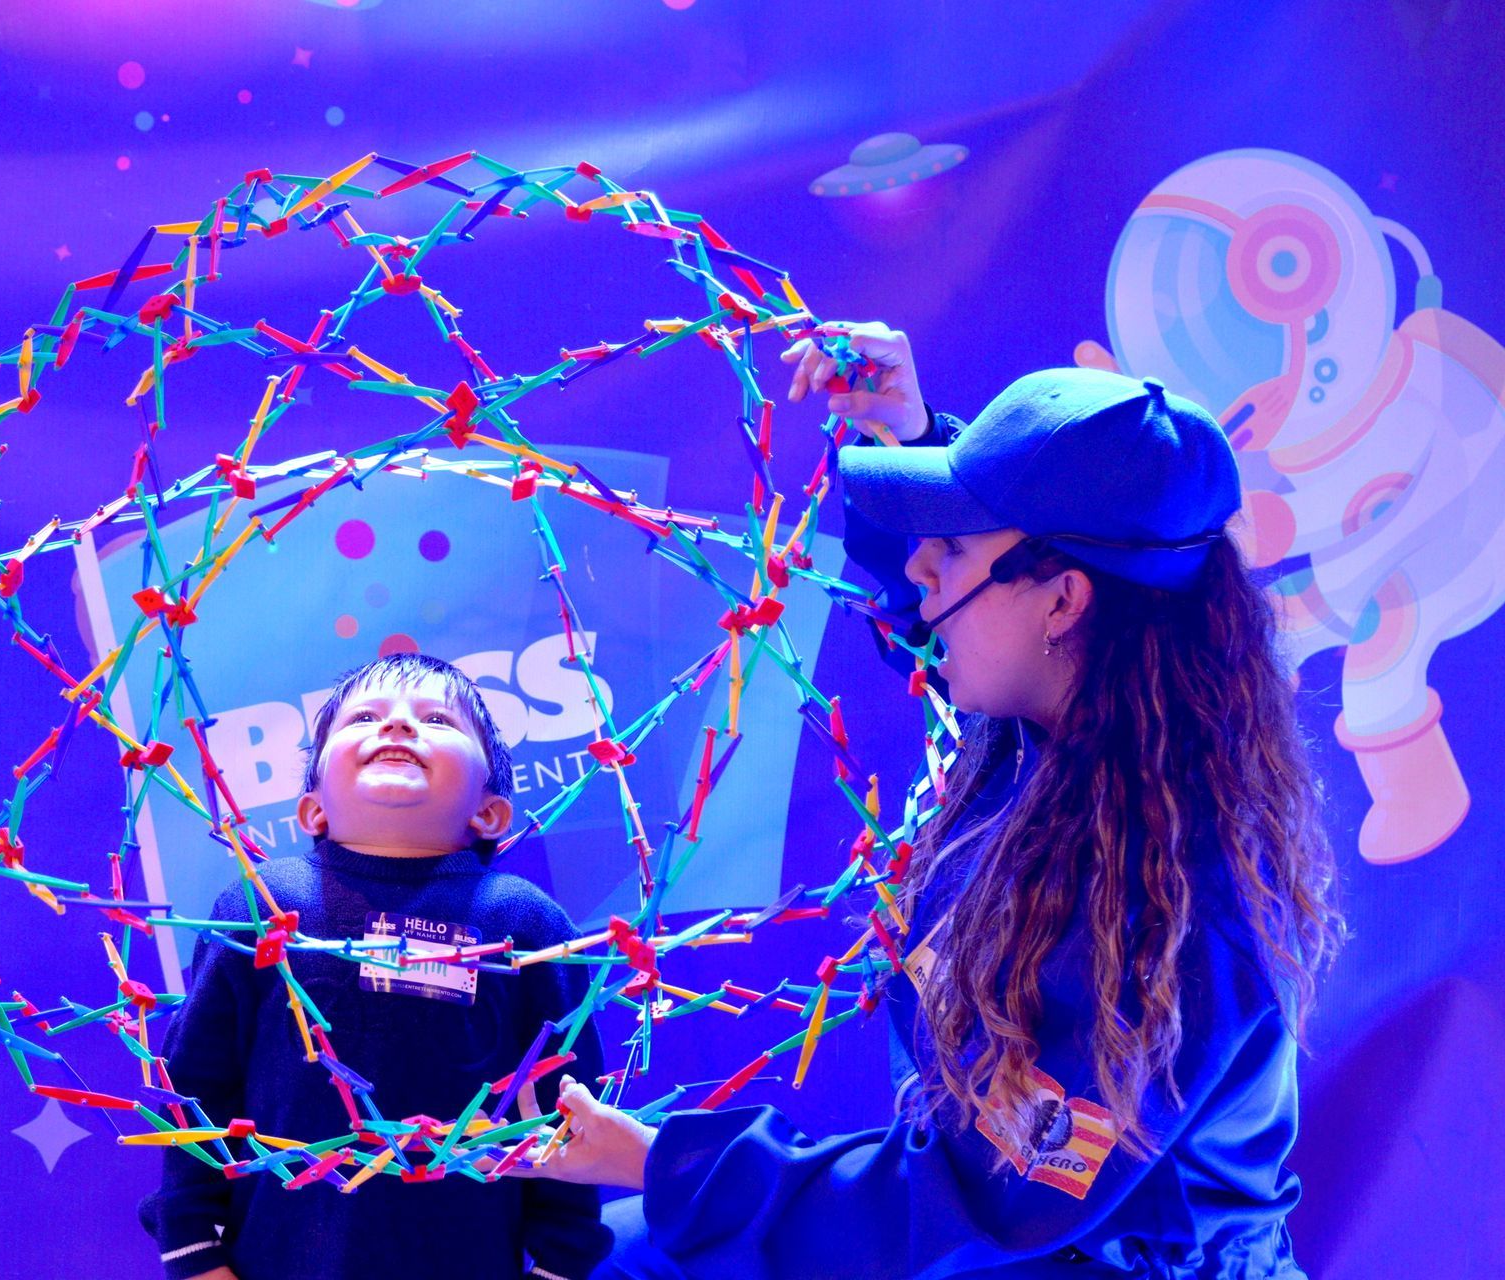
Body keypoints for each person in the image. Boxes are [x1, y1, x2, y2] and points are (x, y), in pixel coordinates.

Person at [524, 324, 1346, 1278]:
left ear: (1062, 602)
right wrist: (910, 440)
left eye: (950, 547)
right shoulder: (1062, 727)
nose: (918, 572)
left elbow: (976, 1202)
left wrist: (664, 1163)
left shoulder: (1176, 909)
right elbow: (938, 633)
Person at [138, 652, 611, 1280]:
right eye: (364, 716)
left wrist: (560, 1262)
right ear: (313, 811)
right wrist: (192, 1247)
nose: (397, 726)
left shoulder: (528, 924)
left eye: (438, 719)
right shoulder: (260, 906)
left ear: (489, 812)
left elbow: (568, 1113)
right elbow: (194, 1090)